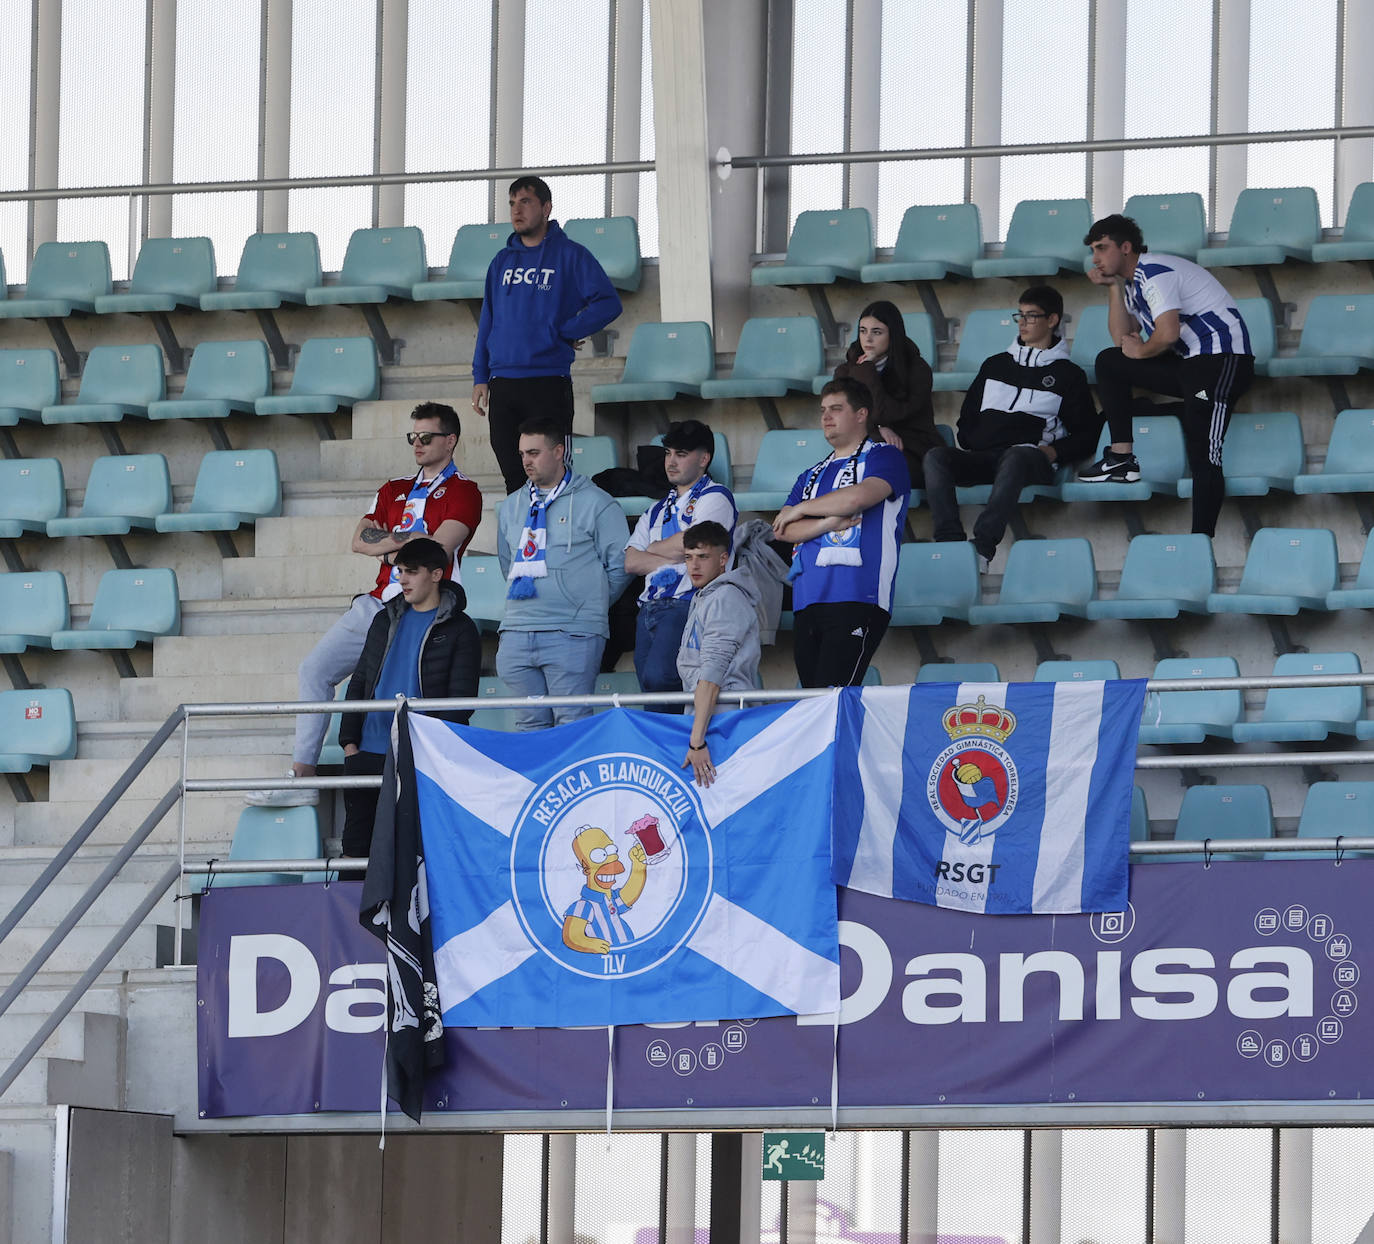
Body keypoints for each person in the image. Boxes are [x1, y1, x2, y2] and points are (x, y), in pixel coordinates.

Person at [247, 402, 481, 806]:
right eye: (413, 437)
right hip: (377, 606)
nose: (418, 444)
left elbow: (436, 551)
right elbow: (358, 541)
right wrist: (409, 542)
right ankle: (302, 778)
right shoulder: (393, 488)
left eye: (426, 437)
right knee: (314, 669)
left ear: (451, 440)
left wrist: (388, 546)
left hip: (425, 608)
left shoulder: (464, 490)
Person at [1080, 212, 1254, 537]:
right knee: (1109, 361)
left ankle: (1200, 542)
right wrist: (1115, 289)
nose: (1096, 258)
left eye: (1102, 248)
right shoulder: (1132, 283)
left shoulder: (1154, 271)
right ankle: (1121, 458)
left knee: (1205, 454)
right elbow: (1122, 338)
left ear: (1126, 247)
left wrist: (1142, 351)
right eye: (1093, 250)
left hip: (1221, 361)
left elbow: (1168, 333)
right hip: (1190, 366)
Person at [922, 284, 1099, 572]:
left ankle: (982, 548)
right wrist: (974, 439)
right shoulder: (994, 365)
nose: (1023, 323)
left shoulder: (1068, 375)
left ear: (1052, 320)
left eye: (1032, 316)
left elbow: (1087, 433)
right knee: (935, 457)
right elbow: (966, 420)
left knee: (1016, 455)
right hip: (986, 458)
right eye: (1020, 315)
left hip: (1029, 460)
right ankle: (950, 543)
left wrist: (1054, 451)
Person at [471, 175, 623, 495]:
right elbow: (488, 320)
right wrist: (480, 375)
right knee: (515, 479)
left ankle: (555, 543)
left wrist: (565, 330)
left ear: (546, 207)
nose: (516, 211)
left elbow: (608, 302)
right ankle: (526, 544)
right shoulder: (501, 262)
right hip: (503, 383)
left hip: (548, 381)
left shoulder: (570, 255)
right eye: (512, 204)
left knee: (553, 479)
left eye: (525, 202)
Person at [337, 538, 481, 857]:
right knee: (356, 850)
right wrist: (349, 743)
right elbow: (360, 680)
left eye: (411, 572)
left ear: (436, 574)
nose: (401, 579)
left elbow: (461, 701)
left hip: (421, 754)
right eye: (400, 571)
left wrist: (436, 751)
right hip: (368, 751)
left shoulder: (461, 629)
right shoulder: (383, 619)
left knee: (415, 851)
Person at [772, 378, 911, 689]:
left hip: (858, 596)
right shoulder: (810, 475)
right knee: (814, 701)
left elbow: (856, 498)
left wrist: (802, 509)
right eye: (823, 410)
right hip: (808, 599)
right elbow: (783, 529)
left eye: (836, 409)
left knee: (833, 698)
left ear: (861, 414)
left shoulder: (884, 456)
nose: (826, 417)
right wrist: (825, 524)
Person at [496, 415, 631, 730]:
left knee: (572, 725)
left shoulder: (598, 503)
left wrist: (587, 602)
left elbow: (621, 564)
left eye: (534, 453)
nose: (526, 461)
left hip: (573, 632)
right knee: (530, 727)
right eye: (522, 454)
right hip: (517, 631)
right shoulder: (512, 505)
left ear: (559, 452)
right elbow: (507, 563)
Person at [623, 420, 738, 710]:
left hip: (688, 603)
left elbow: (699, 545)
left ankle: (681, 746)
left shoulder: (716, 496)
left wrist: (654, 548)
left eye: (681, 453)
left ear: (704, 458)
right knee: (650, 689)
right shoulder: (657, 508)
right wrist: (675, 550)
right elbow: (631, 562)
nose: (671, 461)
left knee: (663, 681)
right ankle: (664, 752)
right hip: (650, 607)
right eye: (668, 453)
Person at [676, 521, 761, 788]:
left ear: (723, 559)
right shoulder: (705, 596)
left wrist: (697, 741)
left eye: (703, 557)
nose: (694, 566)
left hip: (722, 721)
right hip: (711, 716)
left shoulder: (724, 597)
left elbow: (712, 675)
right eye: (689, 558)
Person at [832, 299, 938, 486]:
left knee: (870, 470)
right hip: (867, 447)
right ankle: (837, 517)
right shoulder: (846, 371)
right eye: (863, 331)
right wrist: (879, 428)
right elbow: (844, 419)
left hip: (911, 450)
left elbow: (888, 412)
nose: (868, 339)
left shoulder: (917, 370)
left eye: (877, 332)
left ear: (893, 335)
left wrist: (867, 370)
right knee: (844, 471)